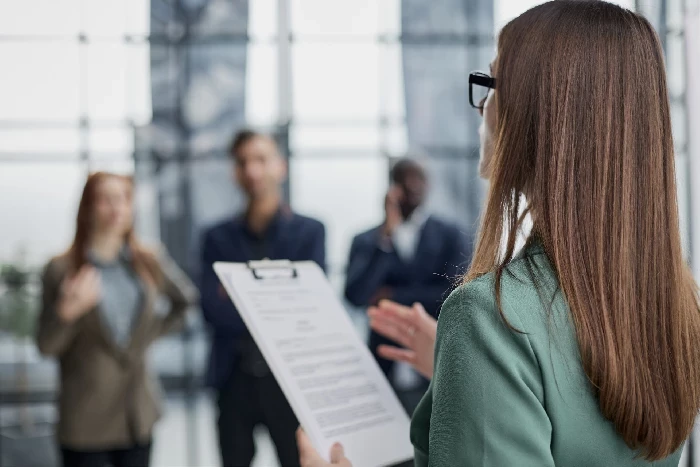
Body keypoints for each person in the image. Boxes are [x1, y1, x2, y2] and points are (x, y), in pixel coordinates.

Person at [297, 1, 700, 466]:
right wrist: (464, 375)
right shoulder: (677, 304)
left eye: (491, 84)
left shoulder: (491, 317)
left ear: (538, 115)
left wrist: (479, 351)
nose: (483, 107)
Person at [36, 172, 197, 467]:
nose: (116, 207)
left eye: (123, 199)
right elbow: (46, 346)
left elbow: (186, 303)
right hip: (86, 419)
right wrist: (67, 313)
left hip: (137, 413)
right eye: (105, 199)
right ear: (87, 207)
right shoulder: (61, 270)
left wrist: (151, 334)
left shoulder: (149, 260)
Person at [199, 129, 326, 467]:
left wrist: (239, 293)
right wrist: (273, 297)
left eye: (261, 160)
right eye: (243, 162)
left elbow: (308, 309)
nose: (252, 170)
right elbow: (211, 310)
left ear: (280, 167)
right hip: (233, 380)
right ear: (234, 172)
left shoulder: (310, 232)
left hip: (290, 384)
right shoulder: (215, 237)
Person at [344, 157, 469, 408]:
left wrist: (392, 297)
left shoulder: (451, 234)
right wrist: (386, 240)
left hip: (435, 359)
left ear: (428, 185)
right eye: (404, 178)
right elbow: (355, 296)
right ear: (392, 187)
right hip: (383, 364)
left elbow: (455, 294)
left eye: (418, 178)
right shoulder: (367, 240)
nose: (412, 185)